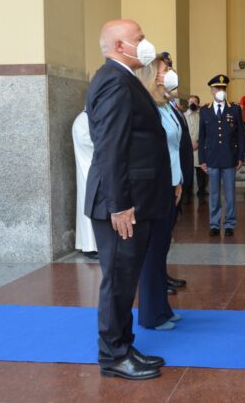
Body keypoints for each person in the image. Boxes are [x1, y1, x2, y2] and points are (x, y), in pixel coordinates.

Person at [84, 19, 170, 380]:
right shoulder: (114, 82)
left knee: (126, 278)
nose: (146, 44)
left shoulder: (123, 79)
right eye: (139, 39)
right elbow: (110, 147)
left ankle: (123, 343)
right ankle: (113, 356)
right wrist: (119, 205)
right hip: (121, 205)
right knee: (118, 281)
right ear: (121, 46)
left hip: (134, 201)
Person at [136, 54, 183, 330]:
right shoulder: (147, 107)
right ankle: (150, 315)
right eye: (166, 69)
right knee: (151, 252)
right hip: (154, 188)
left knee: (162, 250)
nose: (170, 73)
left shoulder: (165, 106)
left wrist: (177, 182)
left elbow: (174, 148)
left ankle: (162, 309)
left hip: (170, 184)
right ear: (153, 74)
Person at [198, 74, 244, 237]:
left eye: (223, 89)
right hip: (211, 158)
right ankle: (215, 223)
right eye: (217, 88)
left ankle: (230, 223)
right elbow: (202, 136)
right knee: (214, 193)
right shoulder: (205, 110)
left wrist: (240, 157)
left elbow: (240, 135)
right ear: (211, 90)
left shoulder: (235, 109)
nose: (220, 91)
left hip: (229, 157)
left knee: (230, 193)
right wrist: (201, 159)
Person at [160, 53, 189, 292]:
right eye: (165, 69)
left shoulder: (171, 105)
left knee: (167, 232)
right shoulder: (156, 106)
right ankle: (157, 277)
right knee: (159, 234)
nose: (170, 72)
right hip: (164, 178)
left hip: (175, 177)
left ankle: (163, 273)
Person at [71, 110, 98, 259]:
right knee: (88, 206)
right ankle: (89, 246)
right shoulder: (83, 120)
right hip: (87, 168)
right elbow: (88, 143)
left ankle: (89, 244)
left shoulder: (89, 118)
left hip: (92, 168)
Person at [185, 95, 206, 198]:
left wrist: (198, 142)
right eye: (190, 102)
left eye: (195, 102)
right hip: (187, 147)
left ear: (198, 103)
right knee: (188, 171)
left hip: (200, 146)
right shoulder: (183, 116)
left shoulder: (203, 115)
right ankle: (188, 193)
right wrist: (189, 143)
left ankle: (202, 191)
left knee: (201, 171)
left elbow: (205, 131)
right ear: (188, 103)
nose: (192, 104)